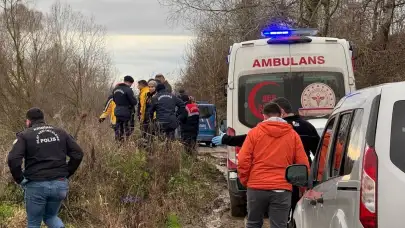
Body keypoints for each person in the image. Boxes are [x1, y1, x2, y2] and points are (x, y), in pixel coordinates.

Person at [211, 97, 320, 220]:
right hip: (290, 181)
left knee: (254, 222)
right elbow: (316, 155)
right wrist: (307, 182)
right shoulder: (305, 128)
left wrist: (246, 180)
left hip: (259, 184)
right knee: (288, 219)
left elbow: (244, 152)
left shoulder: (261, 131)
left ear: (281, 112)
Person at [7, 108, 84, 228]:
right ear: (43, 119)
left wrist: (20, 179)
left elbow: (13, 159)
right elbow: (78, 153)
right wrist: (66, 173)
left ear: (28, 121)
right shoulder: (61, 132)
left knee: (33, 222)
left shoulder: (25, 135)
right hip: (59, 184)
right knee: (51, 217)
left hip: (36, 185)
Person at [238, 102, 310, 228]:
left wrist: (246, 181)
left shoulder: (254, 133)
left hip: (256, 187)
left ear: (264, 116)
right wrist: (301, 186)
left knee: (253, 223)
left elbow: (243, 160)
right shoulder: (292, 135)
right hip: (282, 188)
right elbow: (303, 164)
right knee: (279, 225)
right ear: (281, 115)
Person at [113, 75, 138, 141]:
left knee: (118, 128)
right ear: (130, 82)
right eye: (131, 84)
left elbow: (114, 100)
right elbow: (134, 102)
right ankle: (125, 143)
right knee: (127, 129)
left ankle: (118, 143)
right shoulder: (128, 90)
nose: (131, 85)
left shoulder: (115, 89)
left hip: (117, 111)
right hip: (126, 112)